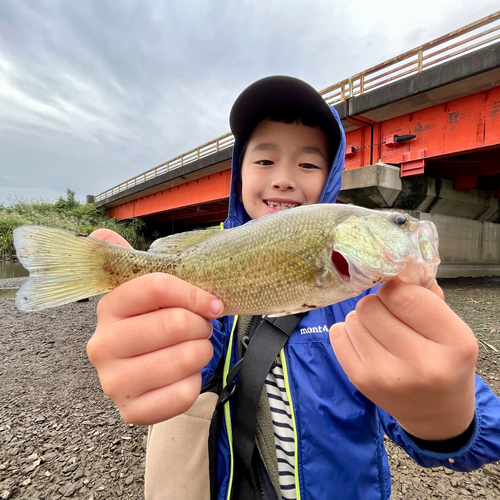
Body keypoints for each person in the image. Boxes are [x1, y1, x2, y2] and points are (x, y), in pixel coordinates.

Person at [87, 76, 500, 499]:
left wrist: (448, 421)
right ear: (237, 173)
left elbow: (485, 434)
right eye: (264, 161)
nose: (283, 179)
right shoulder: (211, 306)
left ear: (331, 177)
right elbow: (185, 359)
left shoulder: (374, 301)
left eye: (307, 164)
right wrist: (145, 356)